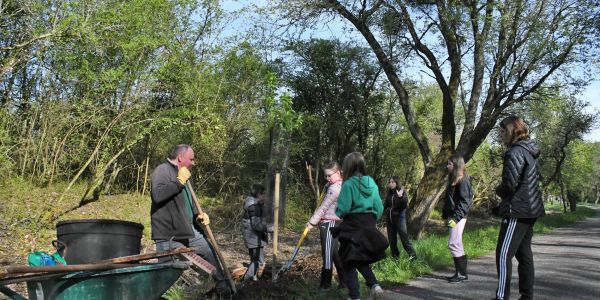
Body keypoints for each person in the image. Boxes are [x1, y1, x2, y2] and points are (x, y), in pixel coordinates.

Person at [150, 144, 231, 297]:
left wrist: (199, 216)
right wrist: (179, 181)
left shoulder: (187, 175)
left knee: (209, 253)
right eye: (191, 159)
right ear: (180, 158)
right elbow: (158, 195)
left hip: (189, 230)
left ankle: (223, 288)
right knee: (166, 276)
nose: (194, 163)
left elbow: (190, 203)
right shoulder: (162, 170)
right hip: (168, 233)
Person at [492, 116, 545, 300]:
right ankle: (526, 296)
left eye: (502, 130)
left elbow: (510, 185)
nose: (499, 134)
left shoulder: (514, 152)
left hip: (518, 210)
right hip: (530, 210)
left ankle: (501, 297)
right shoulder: (528, 151)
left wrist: (497, 191)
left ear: (511, 130)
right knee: (524, 254)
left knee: (503, 254)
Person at [332, 152, 388, 300]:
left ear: (347, 166)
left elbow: (342, 209)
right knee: (359, 258)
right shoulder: (371, 182)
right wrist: (371, 220)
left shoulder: (348, 184)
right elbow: (379, 207)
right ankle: (375, 286)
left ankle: (354, 296)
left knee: (348, 262)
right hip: (368, 225)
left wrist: (338, 212)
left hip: (352, 227)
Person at [306, 162, 345, 291]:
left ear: (338, 172)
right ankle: (344, 282)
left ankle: (325, 285)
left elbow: (323, 207)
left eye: (329, 175)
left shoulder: (334, 188)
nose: (327, 178)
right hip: (333, 222)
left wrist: (312, 222)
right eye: (325, 176)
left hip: (329, 223)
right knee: (334, 254)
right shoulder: (335, 185)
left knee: (327, 254)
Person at [441, 154, 473, 283]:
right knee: (457, 243)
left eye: (449, 164)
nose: (447, 166)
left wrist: (455, 218)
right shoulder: (453, 179)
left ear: (455, 165)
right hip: (453, 216)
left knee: (453, 243)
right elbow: (451, 200)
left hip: (458, 217)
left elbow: (465, 202)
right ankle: (461, 274)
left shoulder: (463, 180)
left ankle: (461, 274)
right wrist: (446, 213)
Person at [242, 183, 272, 281]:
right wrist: (271, 229)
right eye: (265, 195)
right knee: (258, 261)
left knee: (257, 260)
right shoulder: (254, 207)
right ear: (259, 195)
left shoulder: (254, 205)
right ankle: (246, 280)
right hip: (254, 239)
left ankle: (254, 279)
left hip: (254, 238)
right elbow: (257, 225)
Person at [383, 176, 417, 260]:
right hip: (390, 219)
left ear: (397, 183)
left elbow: (404, 205)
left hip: (399, 218)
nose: (390, 184)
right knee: (392, 240)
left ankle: (413, 257)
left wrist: (400, 197)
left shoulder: (401, 192)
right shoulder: (389, 194)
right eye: (389, 182)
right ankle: (395, 258)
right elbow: (385, 205)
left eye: (392, 182)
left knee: (404, 238)